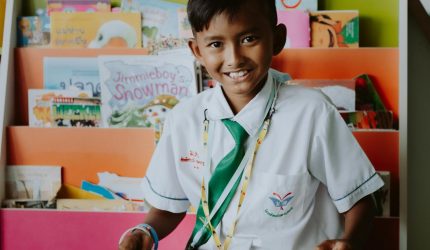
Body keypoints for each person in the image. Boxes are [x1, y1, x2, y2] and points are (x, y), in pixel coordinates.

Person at [118, 0, 384, 249]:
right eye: (215, 44)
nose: (234, 58)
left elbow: (361, 198)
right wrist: (144, 231)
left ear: (277, 39)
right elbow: (167, 206)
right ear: (197, 50)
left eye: (248, 39)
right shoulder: (183, 120)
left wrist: (350, 242)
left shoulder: (312, 113)